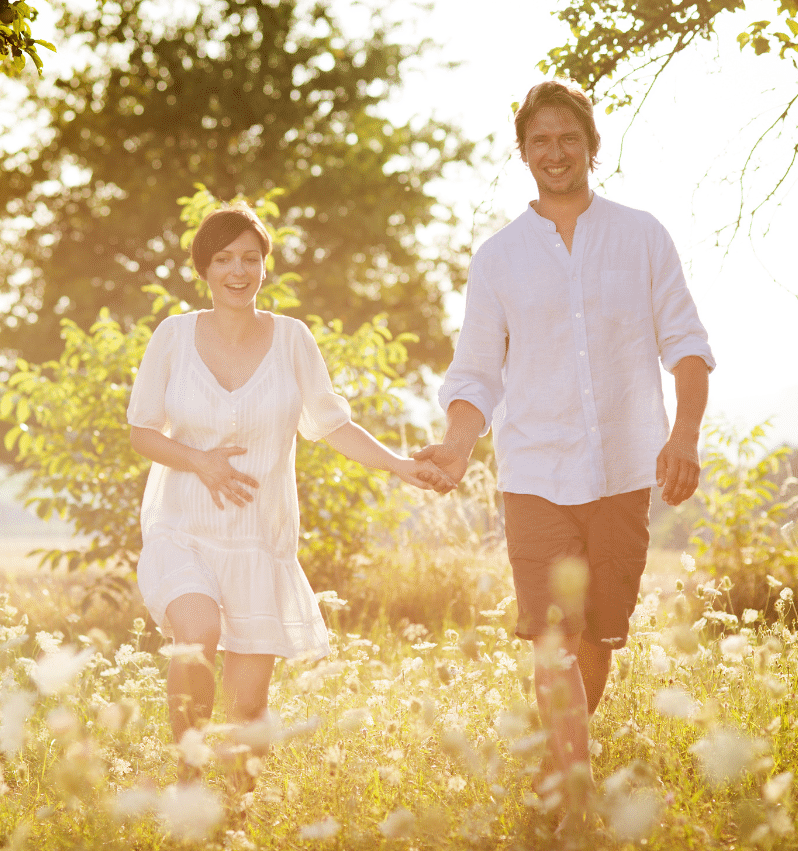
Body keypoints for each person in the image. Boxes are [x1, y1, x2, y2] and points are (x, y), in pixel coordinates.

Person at [415, 80, 714, 821]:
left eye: (567, 138)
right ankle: (576, 793)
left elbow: (687, 341)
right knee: (552, 632)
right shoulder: (499, 258)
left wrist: (684, 433)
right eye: (540, 141)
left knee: (598, 636)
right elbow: (477, 370)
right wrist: (456, 445)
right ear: (523, 153)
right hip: (536, 473)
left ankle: (560, 759)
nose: (555, 152)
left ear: (591, 145)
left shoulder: (641, 235)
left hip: (621, 469)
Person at [127, 202, 448, 783]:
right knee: (197, 632)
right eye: (224, 258)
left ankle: (240, 815)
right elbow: (142, 431)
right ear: (204, 267)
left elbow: (332, 425)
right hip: (183, 529)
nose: (238, 270)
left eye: (251, 258)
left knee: (248, 708)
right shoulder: (173, 337)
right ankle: (190, 777)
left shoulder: (293, 340)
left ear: (265, 268)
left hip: (258, 539)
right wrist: (199, 461)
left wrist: (398, 464)